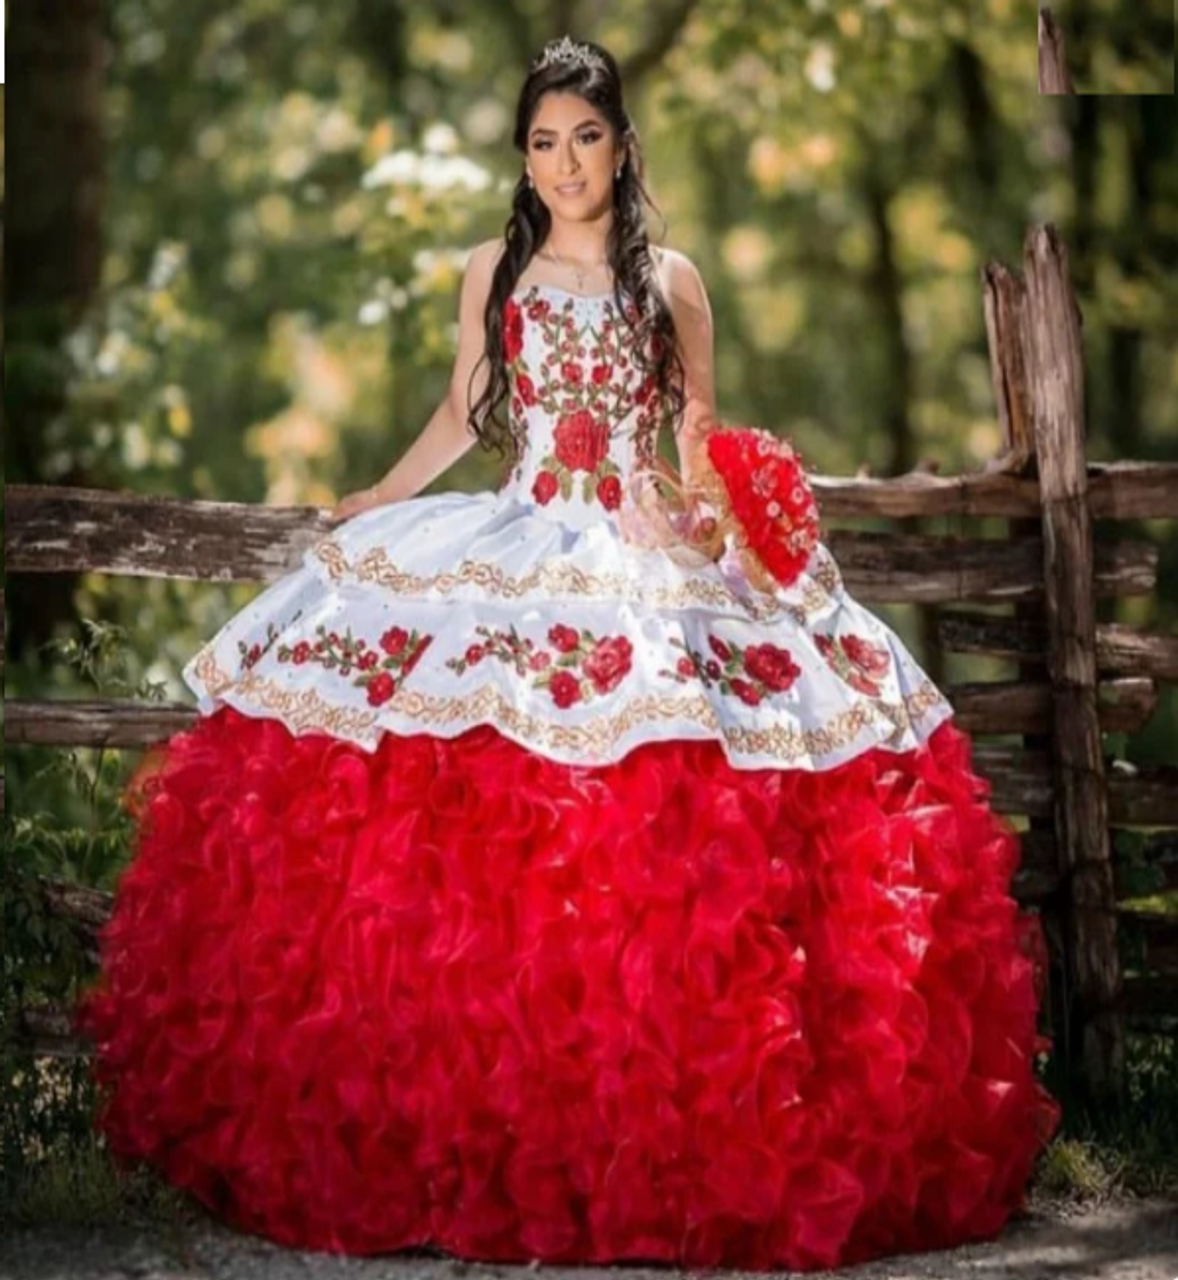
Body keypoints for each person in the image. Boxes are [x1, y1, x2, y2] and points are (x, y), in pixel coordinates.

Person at [74, 34, 1061, 1272]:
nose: (562, 163)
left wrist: (708, 512)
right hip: (519, 526)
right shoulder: (497, 264)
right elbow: (458, 408)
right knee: (466, 779)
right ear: (522, 156)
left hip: (634, 541)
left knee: (663, 779)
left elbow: (693, 436)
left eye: (583, 137)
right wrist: (378, 494)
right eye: (541, 142)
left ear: (622, 144)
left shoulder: (675, 280)